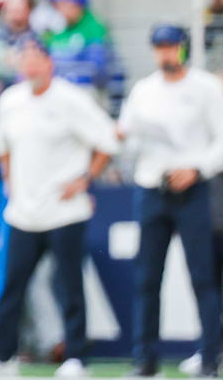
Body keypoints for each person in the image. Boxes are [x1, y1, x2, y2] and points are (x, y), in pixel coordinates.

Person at [0, 38, 118, 378]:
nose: (31, 65)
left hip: (65, 210)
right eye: (25, 59)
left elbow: (107, 140)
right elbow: (1, 145)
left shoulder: (72, 99)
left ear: (50, 62)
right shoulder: (10, 101)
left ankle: (76, 357)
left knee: (69, 285)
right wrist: (9, 179)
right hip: (24, 212)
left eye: (37, 58)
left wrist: (84, 180)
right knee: (11, 285)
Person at [118, 24, 223, 378]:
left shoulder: (206, 88)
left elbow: (221, 140)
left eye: (171, 46)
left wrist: (196, 167)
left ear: (183, 48)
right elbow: (128, 141)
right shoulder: (143, 90)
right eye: (159, 46)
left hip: (193, 189)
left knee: (203, 277)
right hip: (152, 187)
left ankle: (210, 357)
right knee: (147, 278)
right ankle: (144, 360)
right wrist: (123, 140)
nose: (165, 53)